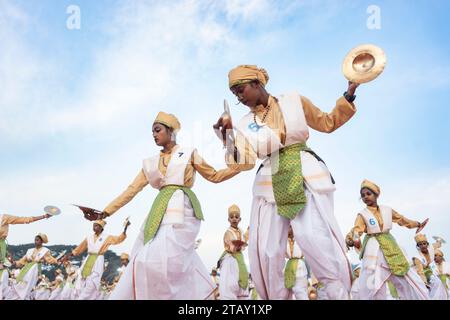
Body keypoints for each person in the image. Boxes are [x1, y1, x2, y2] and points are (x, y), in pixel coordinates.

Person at [213, 65, 357, 299]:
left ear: (257, 83)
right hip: (269, 180)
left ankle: (338, 294)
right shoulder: (243, 123)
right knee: (268, 253)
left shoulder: (293, 100)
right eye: (235, 94)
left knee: (316, 239)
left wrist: (349, 95)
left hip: (306, 174)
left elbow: (327, 122)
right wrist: (228, 137)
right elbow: (245, 162)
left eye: (241, 90)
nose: (239, 97)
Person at [85, 112, 239, 300]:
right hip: (158, 212)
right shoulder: (150, 163)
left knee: (168, 260)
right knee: (143, 260)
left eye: (157, 130)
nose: (154, 135)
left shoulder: (188, 153)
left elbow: (214, 176)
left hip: (183, 210)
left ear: (171, 132)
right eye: (152, 132)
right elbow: (132, 189)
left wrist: (237, 163)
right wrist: (106, 211)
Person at [346, 179, 429, 300]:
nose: (365, 197)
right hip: (373, 249)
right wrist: (350, 239)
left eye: (368, 194)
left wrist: (417, 224)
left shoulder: (387, 210)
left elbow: (402, 220)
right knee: (373, 282)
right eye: (363, 195)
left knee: (404, 277)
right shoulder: (362, 214)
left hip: (391, 246)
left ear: (376, 195)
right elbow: (356, 230)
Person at [61, 220, 128, 300]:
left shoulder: (107, 237)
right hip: (88, 259)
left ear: (101, 228)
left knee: (92, 282)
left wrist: (125, 229)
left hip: (98, 259)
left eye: (97, 225)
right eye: (94, 225)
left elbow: (118, 239)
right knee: (80, 280)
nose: (94, 227)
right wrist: (68, 256)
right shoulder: (89, 237)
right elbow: (79, 248)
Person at [9, 233, 59, 300]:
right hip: (26, 269)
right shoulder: (30, 251)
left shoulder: (45, 251)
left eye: (37, 240)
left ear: (42, 241)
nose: (35, 241)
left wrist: (57, 260)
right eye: (35, 240)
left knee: (27, 287)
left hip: (34, 270)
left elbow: (50, 259)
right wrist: (14, 262)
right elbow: (22, 261)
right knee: (20, 285)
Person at [218, 204, 249, 300]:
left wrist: (249, 231)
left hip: (239, 258)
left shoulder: (240, 231)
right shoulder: (228, 232)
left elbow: (244, 239)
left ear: (240, 219)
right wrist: (236, 245)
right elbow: (231, 247)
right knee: (230, 283)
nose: (234, 219)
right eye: (232, 217)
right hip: (230, 259)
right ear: (229, 220)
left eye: (236, 217)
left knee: (242, 280)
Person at [413, 234, 447, 299]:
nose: (423, 246)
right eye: (420, 244)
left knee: (438, 283)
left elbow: (437, 245)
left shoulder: (430, 248)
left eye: (424, 243)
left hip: (429, 270)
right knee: (432, 285)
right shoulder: (417, 258)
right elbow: (420, 271)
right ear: (418, 246)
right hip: (419, 273)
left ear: (427, 244)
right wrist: (424, 283)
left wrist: (439, 241)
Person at [284, 225, 308, 300]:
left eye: (290, 227)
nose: (288, 229)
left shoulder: (300, 238)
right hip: (289, 267)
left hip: (300, 266)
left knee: (300, 292)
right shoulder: (284, 241)